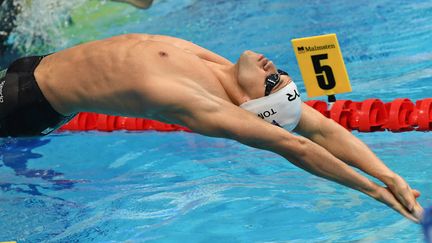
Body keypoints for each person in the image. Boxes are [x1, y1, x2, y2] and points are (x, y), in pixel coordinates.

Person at [0, 33, 424, 222]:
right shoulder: (226, 71)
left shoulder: (196, 102)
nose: (273, 67)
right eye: (283, 76)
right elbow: (319, 127)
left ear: (249, 103)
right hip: (34, 68)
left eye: (272, 82)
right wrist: (390, 174)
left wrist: (378, 193)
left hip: (24, 103)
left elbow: (297, 146)